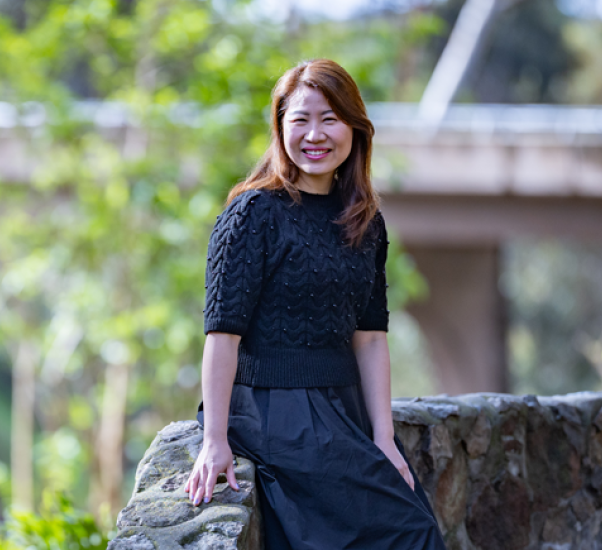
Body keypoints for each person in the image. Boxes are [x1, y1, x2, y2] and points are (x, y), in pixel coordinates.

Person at [184, 58, 447, 549]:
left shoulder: (366, 222)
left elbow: (369, 338)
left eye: (329, 118)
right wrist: (214, 440)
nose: (315, 134)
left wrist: (384, 438)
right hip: (269, 410)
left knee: (413, 522)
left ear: (354, 127)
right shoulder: (251, 214)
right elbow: (222, 336)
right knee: (407, 534)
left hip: (340, 408)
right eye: (300, 119)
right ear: (280, 126)